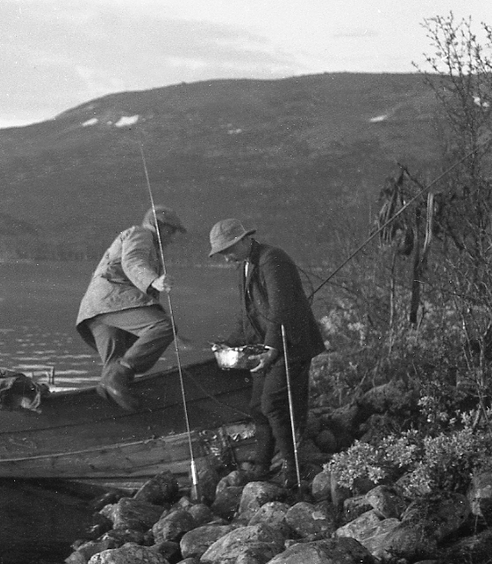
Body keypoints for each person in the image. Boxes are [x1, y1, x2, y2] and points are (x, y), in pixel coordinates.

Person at [209, 218, 325, 489]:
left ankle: (291, 468)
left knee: (274, 404)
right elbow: (247, 314)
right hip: (270, 346)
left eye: (227, 251)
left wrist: (271, 349)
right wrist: (228, 343)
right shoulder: (245, 266)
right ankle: (262, 465)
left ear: (241, 241)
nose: (225, 259)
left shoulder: (273, 259)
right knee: (257, 407)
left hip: (292, 344)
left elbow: (281, 308)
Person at [76, 205, 186, 411]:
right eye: (171, 231)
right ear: (158, 226)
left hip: (96, 310)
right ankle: (117, 383)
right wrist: (153, 280)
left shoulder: (147, 243)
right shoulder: (141, 233)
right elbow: (133, 260)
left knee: (112, 373)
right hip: (112, 301)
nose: (172, 238)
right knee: (162, 328)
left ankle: (114, 412)